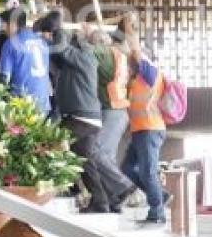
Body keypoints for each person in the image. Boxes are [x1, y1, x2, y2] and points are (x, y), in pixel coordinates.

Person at [49, 27, 137, 213]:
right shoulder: (115, 56)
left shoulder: (94, 55)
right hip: (108, 112)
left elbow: (67, 49)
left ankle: (121, 189)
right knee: (87, 157)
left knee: (95, 155)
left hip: (101, 113)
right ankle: (107, 198)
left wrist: (65, 30)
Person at [120, 15, 168, 225]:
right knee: (127, 169)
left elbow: (135, 49)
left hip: (150, 129)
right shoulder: (136, 79)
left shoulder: (150, 72)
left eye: (135, 59)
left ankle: (157, 212)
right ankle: (160, 196)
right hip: (140, 131)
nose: (131, 61)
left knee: (148, 172)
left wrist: (130, 28)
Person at [88, 28, 132, 207]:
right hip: (118, 111)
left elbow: (88, 51)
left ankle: (124, 186)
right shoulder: (119, 55)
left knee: (95, 151)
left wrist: (84, 36)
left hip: (112, 110)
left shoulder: (105, 53)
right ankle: (113, 201)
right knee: (107, 157)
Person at [0, 8, 51, 115]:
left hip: (22, 105)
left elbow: (4, 78)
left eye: (4, 24)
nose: (3, 28)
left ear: (13, 24)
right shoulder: (42, 42)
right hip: (42, 102)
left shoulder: (11, 43)